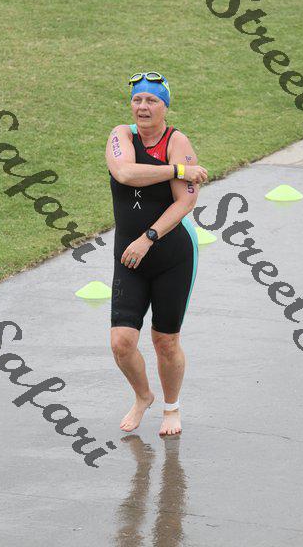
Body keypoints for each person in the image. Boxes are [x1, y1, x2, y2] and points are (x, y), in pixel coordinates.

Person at [105, 71, 208, 436]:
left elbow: (186, 201)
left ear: (165, 106)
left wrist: (148, 237)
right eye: (137, 99)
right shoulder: (121, 135)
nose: (143, 107)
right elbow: (125, 173)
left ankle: (171, 407)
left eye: (152, 100)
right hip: (129, 258)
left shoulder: (177, 141)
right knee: (121, 343)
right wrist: (179, 170)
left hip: (171, 255)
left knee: (165, 341)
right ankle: (142, 396)